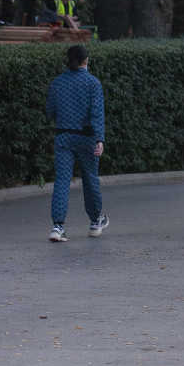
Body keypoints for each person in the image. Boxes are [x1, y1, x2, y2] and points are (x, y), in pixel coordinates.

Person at [46, 43, 108, 242]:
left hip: (63, 137)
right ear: (86, 61)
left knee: (62, 181)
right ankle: (95, 221)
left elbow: (50, 112)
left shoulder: (57, 83)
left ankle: (58, 226)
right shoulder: (93, 83)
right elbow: (96, 114)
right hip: (87, 138)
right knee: (90, 178)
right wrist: (99, 139)